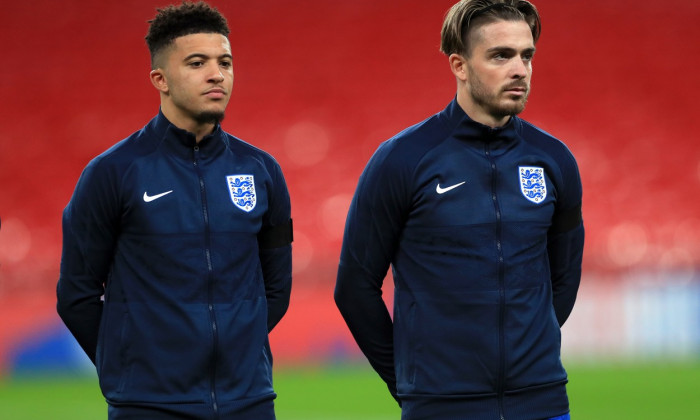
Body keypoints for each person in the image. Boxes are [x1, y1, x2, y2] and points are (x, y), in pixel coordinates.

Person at [335, 1, 584, 419]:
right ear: (460, 65)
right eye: (501, 55)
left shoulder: (554, 159)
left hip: (542, 403)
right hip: (441, 406)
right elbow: (355, 288)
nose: (520, 69)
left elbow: (564, 278)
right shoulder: (402, 160)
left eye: (527, 55)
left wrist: (527, 358)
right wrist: (414, 383)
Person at [56, 2, 293, 419]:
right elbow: (76, 295)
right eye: (197, 62)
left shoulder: (261, 171)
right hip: (149, 406)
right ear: (160, 79)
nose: (217, 74)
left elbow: (275, 289)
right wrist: (136, 367)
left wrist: (233, 353)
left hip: (249, 402)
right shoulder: (112, 173)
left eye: (225, 62)